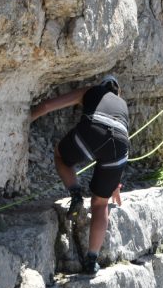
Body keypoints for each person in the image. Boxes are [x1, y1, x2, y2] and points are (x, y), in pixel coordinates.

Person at [30, 75, 129, 276]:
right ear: (117, 92)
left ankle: (75, 193)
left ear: (102, 86)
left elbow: (48, 106)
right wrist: (115, 184)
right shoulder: (122, 105)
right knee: (101, 204)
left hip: (93, 130)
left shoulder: (91, 91)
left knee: (61, 155)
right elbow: (119, 139)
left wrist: (24, 121)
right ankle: (92, 260)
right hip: (120, 145)